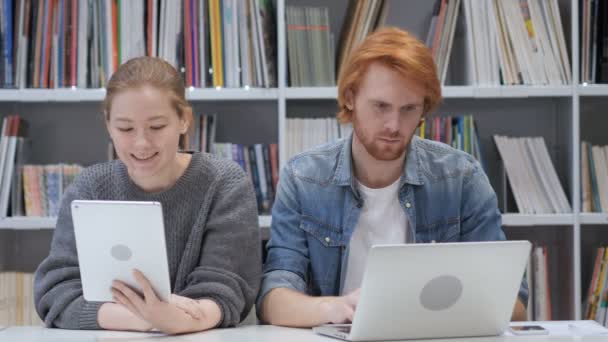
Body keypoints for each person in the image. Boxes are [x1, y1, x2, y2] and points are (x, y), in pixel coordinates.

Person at [258, 27, 528, 327]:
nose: (394, 125)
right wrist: (338, 309)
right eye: (380, 106)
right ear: (350, 97)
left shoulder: (461, 178)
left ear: (424, 108)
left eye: (409, 109)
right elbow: (273, 300)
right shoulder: (303, 179)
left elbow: (515, 303)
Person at [34, 57, 261, 334]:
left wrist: (186, 319)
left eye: (156, 127)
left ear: (184, 120)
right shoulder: (89, 188)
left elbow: (226, 290)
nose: (141, 143)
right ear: (108, 124)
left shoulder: (224, 183)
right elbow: (56, 293)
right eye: (125, 128)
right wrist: (150, 319)